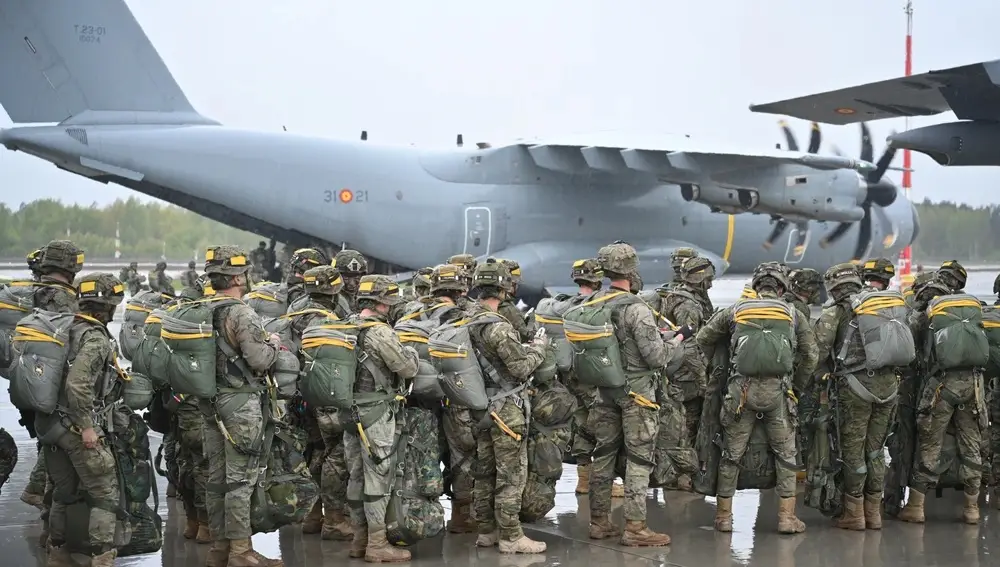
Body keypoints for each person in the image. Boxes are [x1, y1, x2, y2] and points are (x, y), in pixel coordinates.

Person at [696, 262, 818, 534]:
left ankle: (724, 517)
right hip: (778, 393)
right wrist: (794, 386)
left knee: (731, 454)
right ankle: (787, 518)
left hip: (740, 393)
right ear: (782, 286)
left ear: (756, 285)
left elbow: (703, 338)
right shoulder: (793, 313)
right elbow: (811, 355)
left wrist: (722, 364)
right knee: (785, 454)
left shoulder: (735, 310)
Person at [581, 242, 685, 546]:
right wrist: (676, 341)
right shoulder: (636, 308)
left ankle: (599, 521)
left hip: (603, 390)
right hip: (637, 394)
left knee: (602, 455)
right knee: (639, 459)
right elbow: (655, 357)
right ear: (631, 269)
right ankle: (636, 528)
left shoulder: (593, 302)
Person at [199, 245, 282, 567]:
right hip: (239, 404)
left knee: (217, 478)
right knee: (240, 479)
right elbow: (258, 360)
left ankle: (219, 548)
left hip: (209, 402)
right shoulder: (240, 312)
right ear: (238, 276)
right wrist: (273, 345)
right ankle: (240, 551)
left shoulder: (200, 308)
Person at [41, 273, 125, 567]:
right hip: (75, 427)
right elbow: (78, 385)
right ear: (107, 307)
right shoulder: (94, 337)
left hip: (50, 426)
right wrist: (87, 427)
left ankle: (58, 554)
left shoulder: (64, 327)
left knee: (63, 493)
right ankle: (102, 558)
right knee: (104, 491)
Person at [465, 259, 548, 554]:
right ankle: (512, 536)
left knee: (485, 471)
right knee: (511, 473)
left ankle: (486, 530)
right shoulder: (499, 328)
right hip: (506, 409)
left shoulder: (467, 320)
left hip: (481, 406)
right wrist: (539, 346)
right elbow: (521, 367)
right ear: (502, 288)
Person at [813, 263, 900, 530]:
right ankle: (874, 514)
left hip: (856, 389)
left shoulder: (836, 311)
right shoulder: (879, 305)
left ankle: (855, 513)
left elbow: (818, 350)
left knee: (853, 451)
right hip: (889, 388)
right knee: (875, 451)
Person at [343, 275, 419, 562]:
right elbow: (407, 367)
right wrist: (411, 350)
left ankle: (358, 540)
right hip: (376, 414)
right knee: (378, 478)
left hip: (349, 413)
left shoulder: (346, 325)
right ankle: (376, 545)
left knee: (355, 476)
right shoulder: (380, 332)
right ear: (383, 302)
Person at [21, 240, 84, 547]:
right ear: (71, 266)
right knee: (60, 458)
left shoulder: (29, 292)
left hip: (30, 384)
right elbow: (70, 345)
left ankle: (49, 520)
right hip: (56, 390)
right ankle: (50, 518)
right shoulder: (63, 300)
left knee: (47, 445)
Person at [288, 266, 351, 539]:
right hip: (325, 395)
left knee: (311, 452)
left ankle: (313, 516)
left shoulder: (296, 307)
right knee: (335, 455)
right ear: (335, 289)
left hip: (298, 394)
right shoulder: (330, 317)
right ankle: (335, 520)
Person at [654, 256, 716, 491]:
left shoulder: (678, 295)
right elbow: (689, 344)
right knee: (686, 426)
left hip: (678, 370)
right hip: (686, 374)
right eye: (708, 279)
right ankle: (680, 477)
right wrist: (703, 380)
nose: (710, 285)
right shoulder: (688, 304)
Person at [563, 259, 621, 499]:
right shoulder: (601, 306)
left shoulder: (566, 305)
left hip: (571, 374)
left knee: (581, 426)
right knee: (604, 427)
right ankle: (603, 481)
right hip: (595, 375)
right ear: (598, 279)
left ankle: (583, 478)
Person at [497, 259, 531, 342]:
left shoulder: (480, 302)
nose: (517, 287)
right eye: (515, 284)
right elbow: (525, 336)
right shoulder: (507, 308)